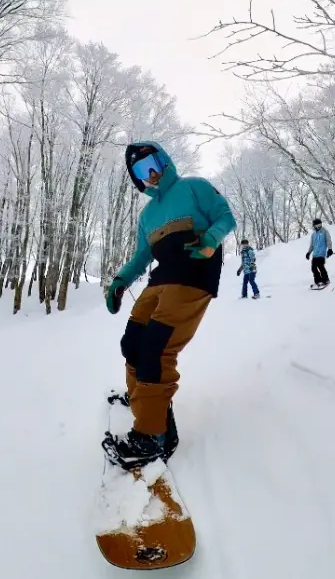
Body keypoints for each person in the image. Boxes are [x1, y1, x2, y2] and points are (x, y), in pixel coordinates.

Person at [103, 141, 236, 469]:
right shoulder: (147, 215)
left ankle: (152, 436)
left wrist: (209, 242)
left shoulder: (193, 188)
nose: (150, 174)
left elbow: (225, 217)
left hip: (193, 275)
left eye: (152, 164)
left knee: (157, 347)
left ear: (164, 161)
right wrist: (120, 281)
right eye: (140, 172)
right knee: (132, 342)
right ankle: (146, 403)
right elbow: (141, 257)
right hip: (160, 281)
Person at [306, 218, 333, 289]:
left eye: (319, 224)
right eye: (316, 225)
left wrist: (330, 249)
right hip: (315, 254)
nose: (317, 226)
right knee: (313, 268)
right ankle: (318, 281)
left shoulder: (325, 232)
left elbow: (328, 241)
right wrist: (308, 252)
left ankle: (326, 280)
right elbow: (312, 245)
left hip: (321, 253)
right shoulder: (313, 234)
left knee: (320, 266)